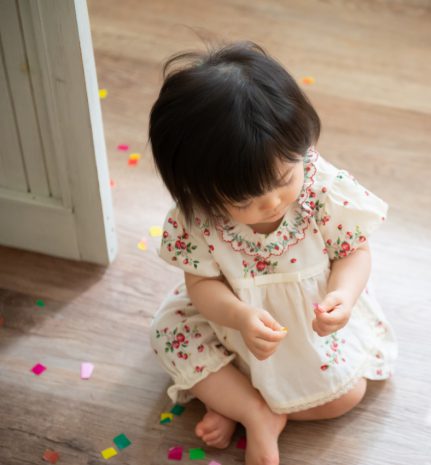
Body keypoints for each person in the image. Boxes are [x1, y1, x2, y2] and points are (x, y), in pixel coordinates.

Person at [148, 41, 398, 465]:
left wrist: (343, 296)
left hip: (306, 324)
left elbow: (354, 251)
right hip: (233, 322)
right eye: (243, 199)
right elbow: (202, 285)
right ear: (198, 190)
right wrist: (240, 318)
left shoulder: (323, 189)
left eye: (283, 178)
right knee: (169, 334)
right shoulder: (199, 216)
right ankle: (254, 412)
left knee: (346, 395)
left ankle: (230, 401)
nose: (270, 203)